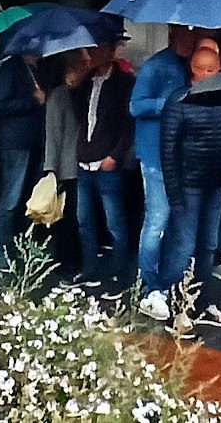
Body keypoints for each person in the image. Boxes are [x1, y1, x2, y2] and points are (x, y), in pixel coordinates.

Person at [129, 27, 197, 321]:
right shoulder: (155, 66)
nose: (190, 41)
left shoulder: (190, 66)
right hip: (155, 155)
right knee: (157, 219)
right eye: (185, 35)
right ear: (172, 35)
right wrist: (168, 104)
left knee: (174, 222)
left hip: (179, 157)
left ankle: (167, 286)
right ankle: (149, 288)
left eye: (193, 36)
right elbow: (135, 106)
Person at [159, 45, 221, 303]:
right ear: (192, 69)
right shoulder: (178, 101)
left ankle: (199, 300)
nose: (205, 74)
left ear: (219, 70)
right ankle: (171, 300)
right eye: (201, 69)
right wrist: (174, 195)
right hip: (187, 185)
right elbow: (167, 151)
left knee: (209, 246)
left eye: (211, 70)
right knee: (183, 246)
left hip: (216, 185)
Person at [72, 39, 136, 288]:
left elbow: (128, 124)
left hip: (106, 159)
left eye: (96, 49)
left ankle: (119, 272)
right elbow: (80, 115)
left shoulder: (124, 81)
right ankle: (89, 269)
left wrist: (115, 156)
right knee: (84, 219)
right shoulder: (86, 82)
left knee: (114, 221)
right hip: (85, 157)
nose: (91, 54)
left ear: (109, 51)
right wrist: (78, 78)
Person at [0, 50, 45, 268]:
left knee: (25, 199)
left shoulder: (35, 70)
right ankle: (0, 251)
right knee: (11, 198)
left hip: (33, 141)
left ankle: (18, 247)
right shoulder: (9, 68)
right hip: (15, 142)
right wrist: (32, 101)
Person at [42, 51, 89, 269]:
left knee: (75, 216)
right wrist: (51, 169)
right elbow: (54, 133)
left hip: (77, 163)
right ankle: (67, 262)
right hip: (68, 166)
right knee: (69, 217)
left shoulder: (80, 93)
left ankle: (72, 260)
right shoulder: (60, 96)